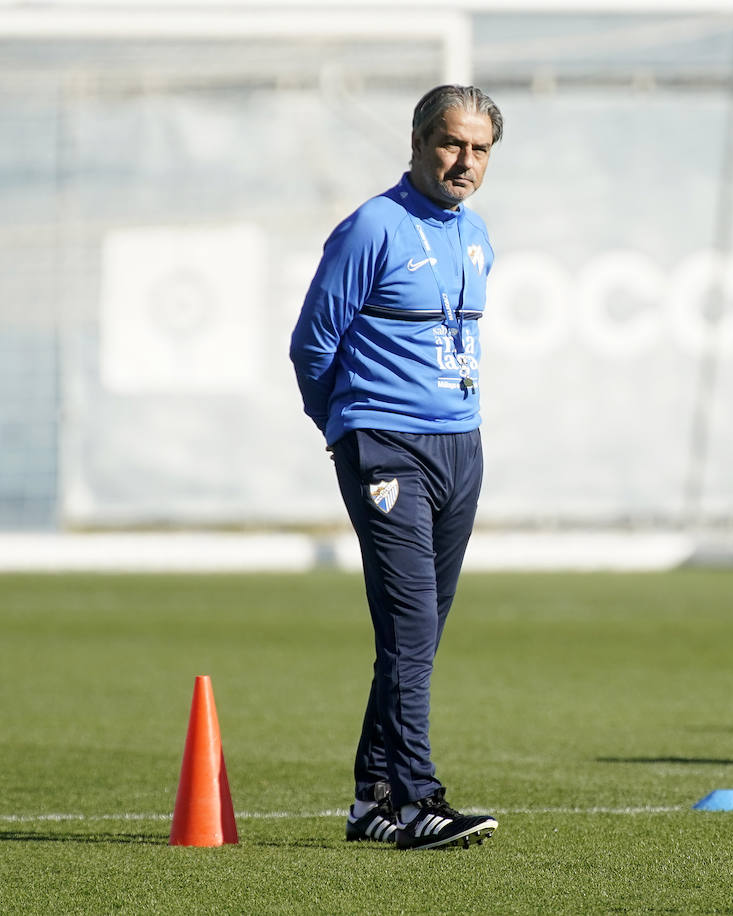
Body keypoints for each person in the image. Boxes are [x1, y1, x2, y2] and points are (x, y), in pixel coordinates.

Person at [289, 85, 502, 851]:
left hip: (461, 447)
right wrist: (347, 429)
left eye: (479, 149)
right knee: (411, 628)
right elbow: (312, 345)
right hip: (385, 447)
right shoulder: (372, 226)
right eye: (451, 143)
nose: (464, 161)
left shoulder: (477, 236)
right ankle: (419, 801)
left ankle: (371, 801)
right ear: (416, 142)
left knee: (420, 635)